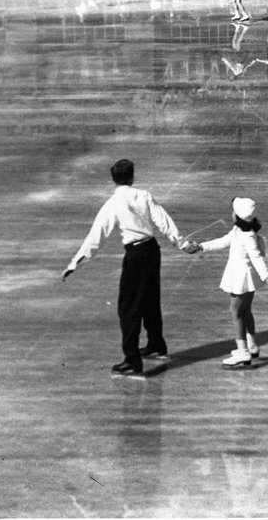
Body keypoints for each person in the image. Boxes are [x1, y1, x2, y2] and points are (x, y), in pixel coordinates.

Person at [62, 159, 187, 375]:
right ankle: (156, 344)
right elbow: (163, 220)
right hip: (152, 251)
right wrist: (182, 243)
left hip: (135, 255)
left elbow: (96, 237)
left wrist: (75, 264)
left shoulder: (112, 204)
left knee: (128, 308)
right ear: (132, 177)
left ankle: (132, 360)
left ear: (113, 180)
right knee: (150, 300)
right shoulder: (144, 195)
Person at [191, 197, 268, 368]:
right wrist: (200, 246)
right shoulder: (239, 231)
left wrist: (266, 276)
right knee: (245, 311)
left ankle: (243, 351)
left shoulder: (247, 235)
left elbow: (256, 257)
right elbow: (223, 241)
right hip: (244, 277)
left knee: (235, 311)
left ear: (237, 216)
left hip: (241, 277)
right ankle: (251, 345)